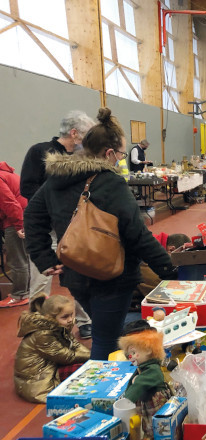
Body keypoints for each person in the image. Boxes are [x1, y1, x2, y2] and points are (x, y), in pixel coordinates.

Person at [24, 107, 177, 360]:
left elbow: (32, 215)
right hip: (112, 274)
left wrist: (43, 258)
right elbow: (136, 234)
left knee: (106, 329)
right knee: (106, 341)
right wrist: (168, 270)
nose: (120, 159)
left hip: (74, 271)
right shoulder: (110, 182)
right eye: (120, 154)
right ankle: (100, 395)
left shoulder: (56, 179)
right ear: (109, 153)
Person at [20, 110, 95, 336]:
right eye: (86, 135)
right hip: (48, 229)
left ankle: (84, 321)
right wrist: (54, 206)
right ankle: (37, 327)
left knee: (79, 273)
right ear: (74, 133)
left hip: (75, 227)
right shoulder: (39, 152)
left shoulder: (83, 157)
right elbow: (27, 188)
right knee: (42, 276)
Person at [14, 293, 90, 403]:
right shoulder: (43, 334)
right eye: (65, 317)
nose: (70, 320)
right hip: (37, 378)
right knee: (82, 369)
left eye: (71, 315)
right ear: (50, 318)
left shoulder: (58, 325)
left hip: (50, 365)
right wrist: (92, 356)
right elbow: (65, 356)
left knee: (88, 365)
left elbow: (74, 344)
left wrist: (92, 356)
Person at [0, 161, 29, 307]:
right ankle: (26, 292)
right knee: (23, 258)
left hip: (16, 221)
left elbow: (10, 204)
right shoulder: (6, 174)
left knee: (16, 259)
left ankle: (20, 295)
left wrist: (18, 225)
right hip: (22, 217)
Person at [137, 233, 191, 298]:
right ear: (171, 250)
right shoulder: (148, 253)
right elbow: (162, 289)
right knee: (165, 289)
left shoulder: (153, 242)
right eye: (180, 260)